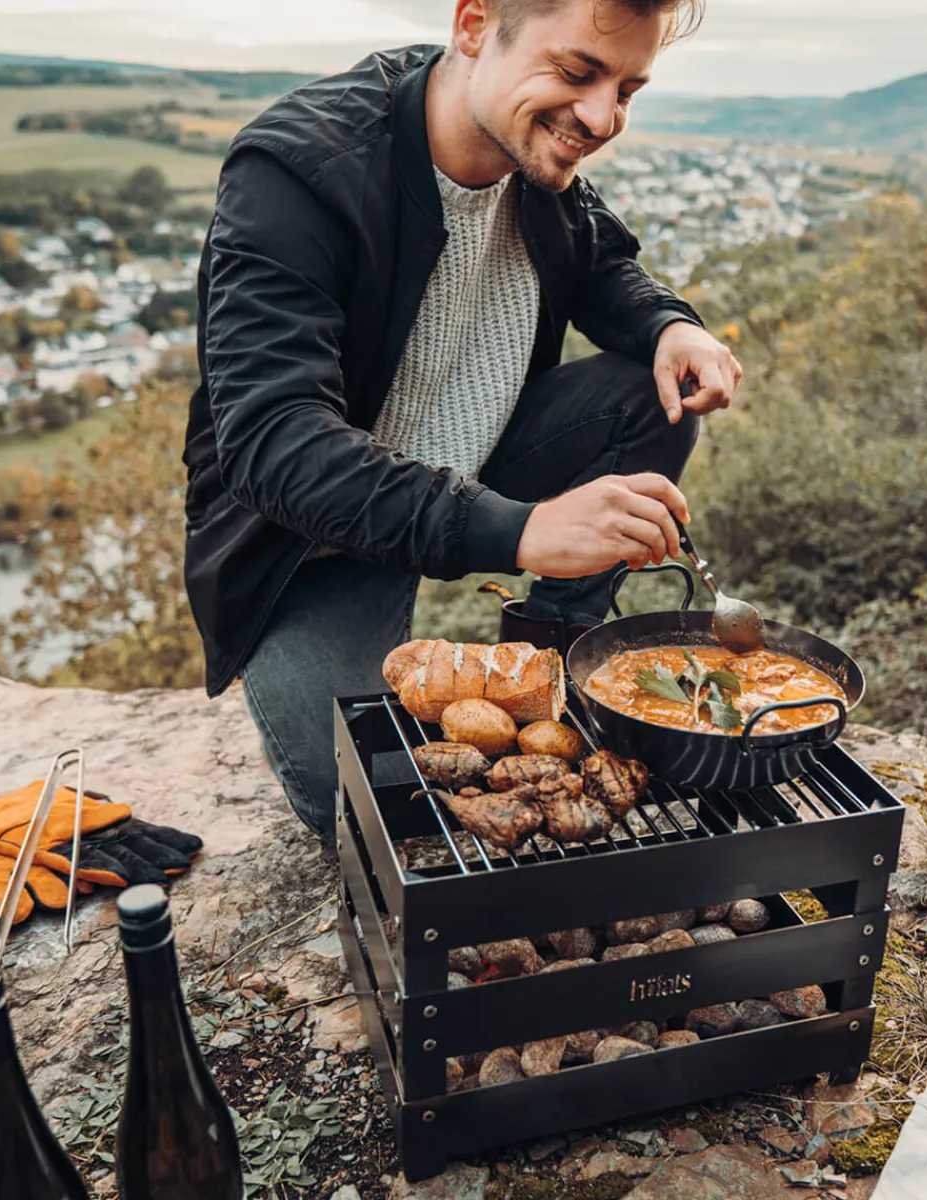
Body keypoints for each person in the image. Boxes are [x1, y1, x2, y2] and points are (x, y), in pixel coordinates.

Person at [183, 0, 743, 843]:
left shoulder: (525, 140)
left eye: (628, 88)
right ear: (475, 25)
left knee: (649, 390)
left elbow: (602, 262)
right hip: (313, 534)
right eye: (578, 72)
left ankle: (556, 653)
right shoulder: (298, 169)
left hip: (477, 453)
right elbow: (274, 443)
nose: (601, 118)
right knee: (374, 810)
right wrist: (523, 532)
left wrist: (672, 324)